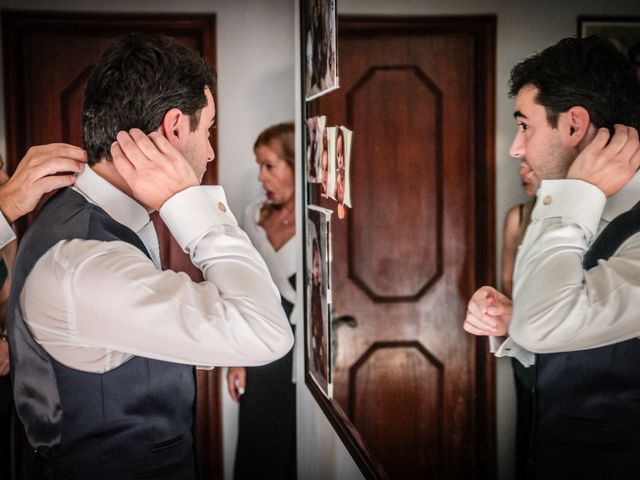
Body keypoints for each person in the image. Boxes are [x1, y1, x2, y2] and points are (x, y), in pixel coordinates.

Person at [8, 34, 293, 480]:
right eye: (209, 129)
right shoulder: (82, 261)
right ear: (176, 127)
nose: (212, 150)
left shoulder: (93, 220)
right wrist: (190, 201)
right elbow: (267, 334)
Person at [464, 36, 640, 479]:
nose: (515, 149)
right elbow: (574, 333)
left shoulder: (566, 210)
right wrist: (513, 319)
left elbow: (545, 326)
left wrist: (572, 195)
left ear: (574, 125)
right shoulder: (569, 212)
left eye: (525, 126)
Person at [0, 145, 86, 477]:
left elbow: (10, 299)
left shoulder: (11, 237)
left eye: (5, 167)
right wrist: (5, 205)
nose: (8, 179)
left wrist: (7, 339)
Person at [226, 122, 296, 480]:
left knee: (299, 444)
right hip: (260, 347)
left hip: (304, 350)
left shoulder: (318, 221)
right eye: (259, 166)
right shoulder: (253, 217)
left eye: (270, 166)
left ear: (296, 164)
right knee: (258, 445)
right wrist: (237, 358)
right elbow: (239, 289)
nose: (261, 177)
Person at [500, 161, 540, 479]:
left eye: (529, 166)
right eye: (521, 166)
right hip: (526, 337)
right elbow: (507, 281)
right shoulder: (519, 218)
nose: (521, 172)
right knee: (529, 422)